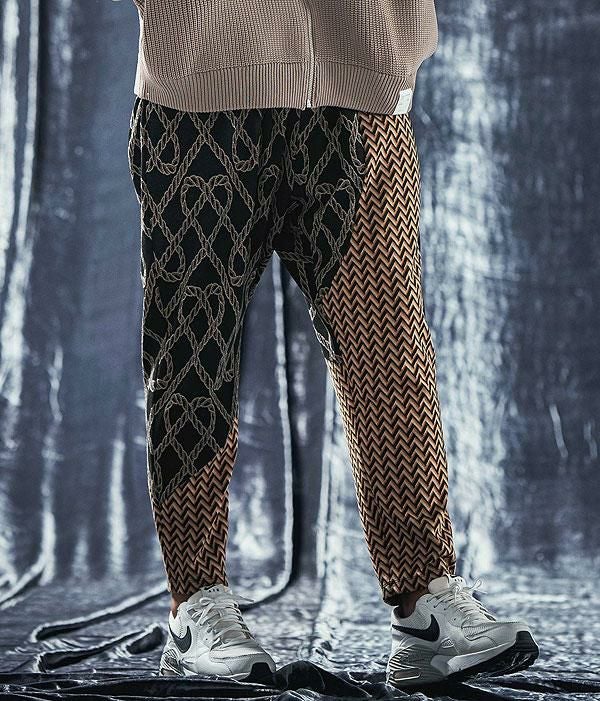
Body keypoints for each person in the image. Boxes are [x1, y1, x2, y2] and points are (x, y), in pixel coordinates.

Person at [126, 0, 539, 688]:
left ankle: (425, 608)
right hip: (202, 80)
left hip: (362, 77)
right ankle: (195, 606)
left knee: (391, 354)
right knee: (193, 355)